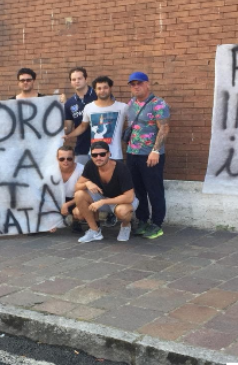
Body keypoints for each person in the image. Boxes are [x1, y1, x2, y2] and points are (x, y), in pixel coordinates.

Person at [125, 71, 171, 240]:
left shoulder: (158, 104)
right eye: (133, 84)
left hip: (151, 155)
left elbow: (164, 128)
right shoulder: (131, 103)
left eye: (139, 83)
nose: (136, 86)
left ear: (147, 84)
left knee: (154, 190)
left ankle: (157, 224)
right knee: (138, 190)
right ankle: (142, 220)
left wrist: (155, 150)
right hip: (132, 154)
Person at [73, 142, 137, 243]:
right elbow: (77, 186)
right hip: (102, 197)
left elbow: (129, 197)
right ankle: (95, 231)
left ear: (109, 154)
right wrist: (87, 183)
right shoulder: (90, 165)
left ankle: (126, 225)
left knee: (123, 212)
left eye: (102, 154)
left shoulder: (121, 168)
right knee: (79, 195)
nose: (98, 158)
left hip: (121, 200)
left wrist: (103, 202)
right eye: (94, 155)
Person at [67, 76, 128, 162]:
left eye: (105, 87)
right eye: (99, 88)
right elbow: (83, 126)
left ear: (110, 88)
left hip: (115, 156)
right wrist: (69, 135)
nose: (102, 91)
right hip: (95, 156)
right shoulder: (89, 107)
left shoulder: (123, 107)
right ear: (95, 90)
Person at [63, 67, 96, 165]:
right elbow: (68, 129)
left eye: (79, 78)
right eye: (73, 79)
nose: (77, 81)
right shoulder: (69, 103)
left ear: (86, 79)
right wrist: (60, 106)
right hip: (82, 148)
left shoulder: (97, 95)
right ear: (71, 82)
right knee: (82, 174)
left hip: (102, 147)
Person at [50, 146, 85, 234]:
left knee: (80, 212)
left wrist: (67, 204)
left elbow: (85, 194)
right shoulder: (51, 170)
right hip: (56, 200)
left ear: (74, 158)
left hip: (75, 199)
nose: (65, 161)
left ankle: (76, 221)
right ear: (57, 159)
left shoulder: (81, 170)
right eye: (62, 159)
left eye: (69, 159)